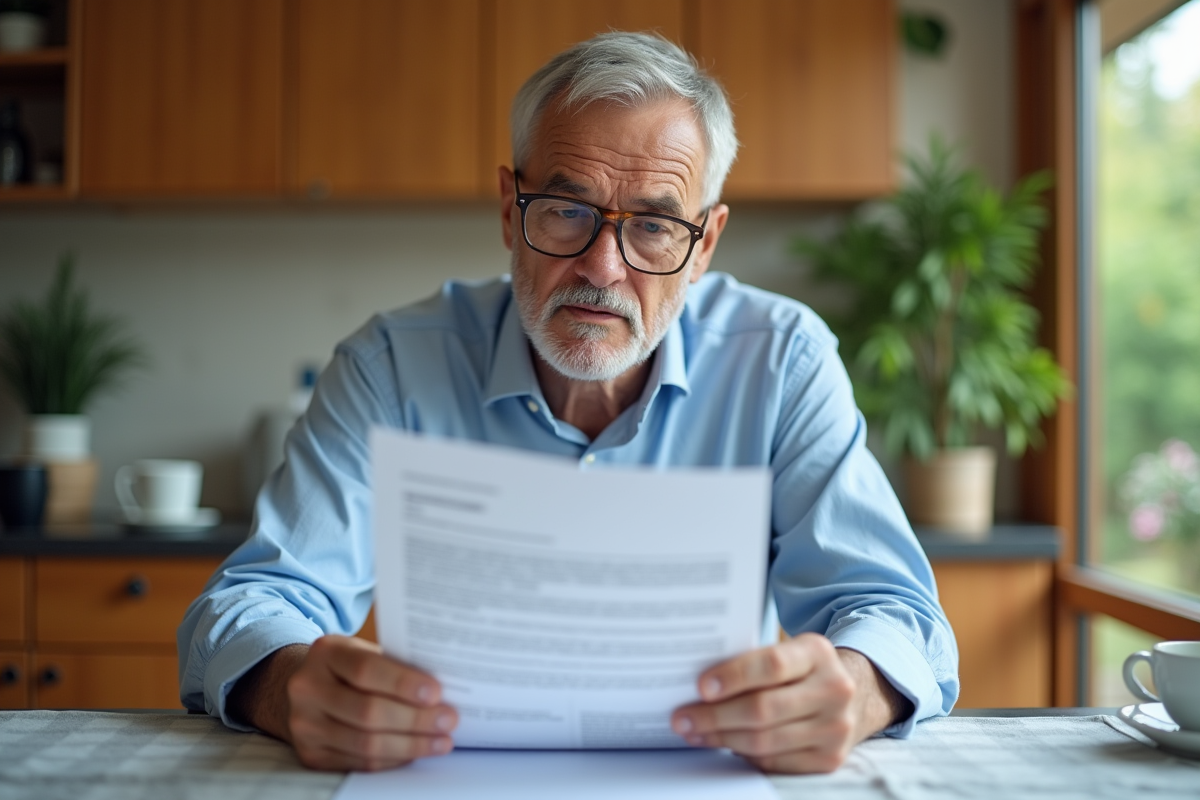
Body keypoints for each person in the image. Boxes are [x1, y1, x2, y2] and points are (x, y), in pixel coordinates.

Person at [178, 31, 958, 775]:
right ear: (509, 209)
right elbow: (254, 600)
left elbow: (895, 612)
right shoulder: (391, 366)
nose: (602, 267)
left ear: (706, 243)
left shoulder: (782, 360)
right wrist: (287, 686)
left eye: (653, 225)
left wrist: (855, 691)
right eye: (566, 210)